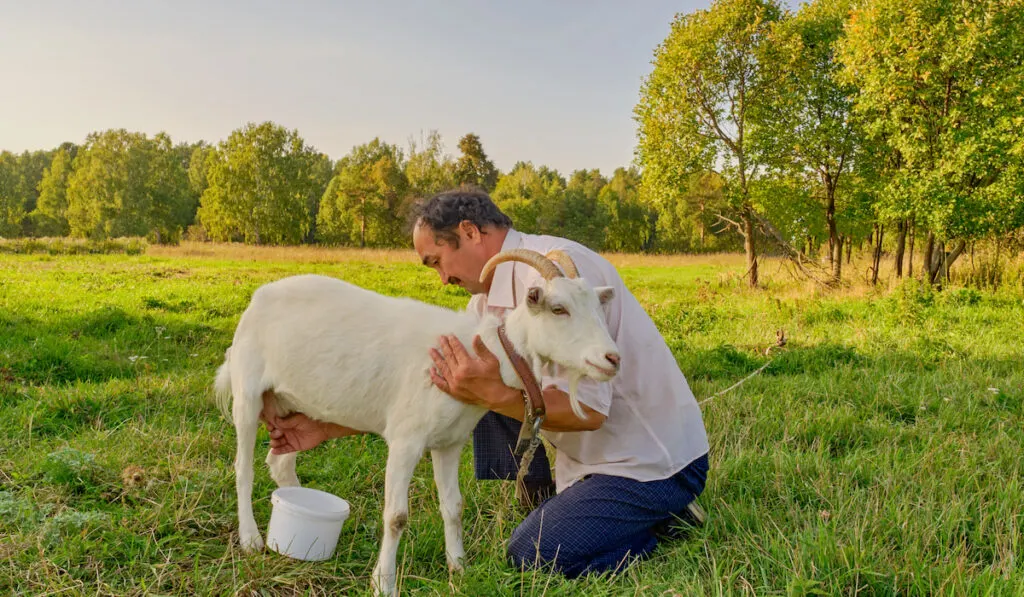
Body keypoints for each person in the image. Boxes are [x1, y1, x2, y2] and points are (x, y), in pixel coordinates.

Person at [262, 187, 711, 578]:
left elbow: (591, 412)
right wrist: (326, 426)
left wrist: (494, 392)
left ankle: (660, 520)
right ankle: (545, 497)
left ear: (471, 233)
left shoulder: (559, 274)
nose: (441, 279)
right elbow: (426, 402)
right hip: (588, 464)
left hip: (650, 464)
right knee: (473, 367)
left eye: (438, 261)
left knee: (533, 553)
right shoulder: (486, 306)